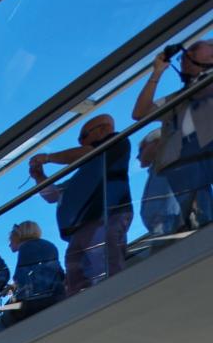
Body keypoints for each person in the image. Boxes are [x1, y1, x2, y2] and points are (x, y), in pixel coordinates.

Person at [31, 113, 131, 295]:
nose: (80, 142)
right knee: (76, 273)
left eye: (83, 136)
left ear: (104, 129)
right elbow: (53, 195)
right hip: (80, 228)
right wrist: (39, 177)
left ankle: (116, 296)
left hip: (103, 216)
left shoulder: (115, 144)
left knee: (104, 265)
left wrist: (48, 158)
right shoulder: (85, 173)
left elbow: (88, 153)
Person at [134, 39, 213, 231]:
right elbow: (140, 113)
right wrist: (157, 72)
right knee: (194, 208)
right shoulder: (179, 97)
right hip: (180, 158)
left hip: (204, 150)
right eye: (184, 54)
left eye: (194, 50)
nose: (186, 55)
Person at [7, 220, 65, 324]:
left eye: (11, 238)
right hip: (55, 294)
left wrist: (13, 287)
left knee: (5, 316)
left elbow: (22, 277)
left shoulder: (26, 248)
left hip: (36, 300)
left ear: (19, 235)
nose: (9, 243)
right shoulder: (49, 245)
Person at [139, 131, 182, 237]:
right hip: (161, 230)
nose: (138, 156)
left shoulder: (170, 163)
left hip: (171, 228)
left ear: (157, 142)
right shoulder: (157, 169)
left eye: (142, 149)